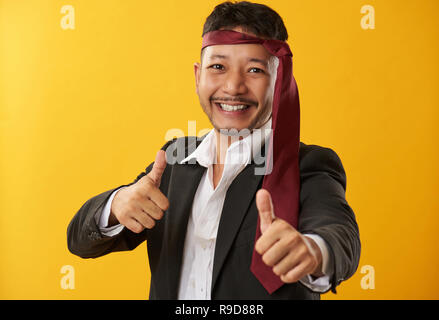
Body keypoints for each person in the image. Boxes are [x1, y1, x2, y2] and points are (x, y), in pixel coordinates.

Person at [67, 1, 360, 300]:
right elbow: (79, 240)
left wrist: (313, 250)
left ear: (280, 81)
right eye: (218, 67)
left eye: (255, 70)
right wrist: (117, 205)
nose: (233, 86)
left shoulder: (306, 165)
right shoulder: (174, 159)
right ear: (197, 77)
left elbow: (338, 232)